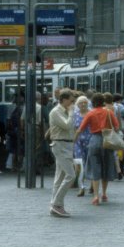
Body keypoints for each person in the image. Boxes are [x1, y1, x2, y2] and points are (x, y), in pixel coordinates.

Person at [76, 92, 120, 205]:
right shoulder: (109, 112)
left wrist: (74, 140)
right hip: (107, 141)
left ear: (93, 103)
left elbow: (80, 129)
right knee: (106, 166)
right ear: (103, 102)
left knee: (95, 167)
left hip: (94, 140)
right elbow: (117, 127)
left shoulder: (90, 114)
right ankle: (104, 194)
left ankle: (95, 195)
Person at [47, 89, 77, 218]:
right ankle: (56, 204)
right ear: (64, 100)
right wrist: (71, 113)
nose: (72, 104)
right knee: (71, 175)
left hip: (66, 145)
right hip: (60, 145)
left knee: (59, 177)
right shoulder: (56, 112)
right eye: (71, 101)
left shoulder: (63, 111)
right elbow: (67, 125)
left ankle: (56, 206)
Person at [72, 95, 92, 197]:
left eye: (85, 102)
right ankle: (81, 187)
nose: (83, 104)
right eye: (81, 102)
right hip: (78, 141)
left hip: (90, 141)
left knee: (91, 163)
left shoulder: (91, 113)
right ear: (77, 104)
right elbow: (73, 128)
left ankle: (93, 184)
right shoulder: (75, 114)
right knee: (79, 165)